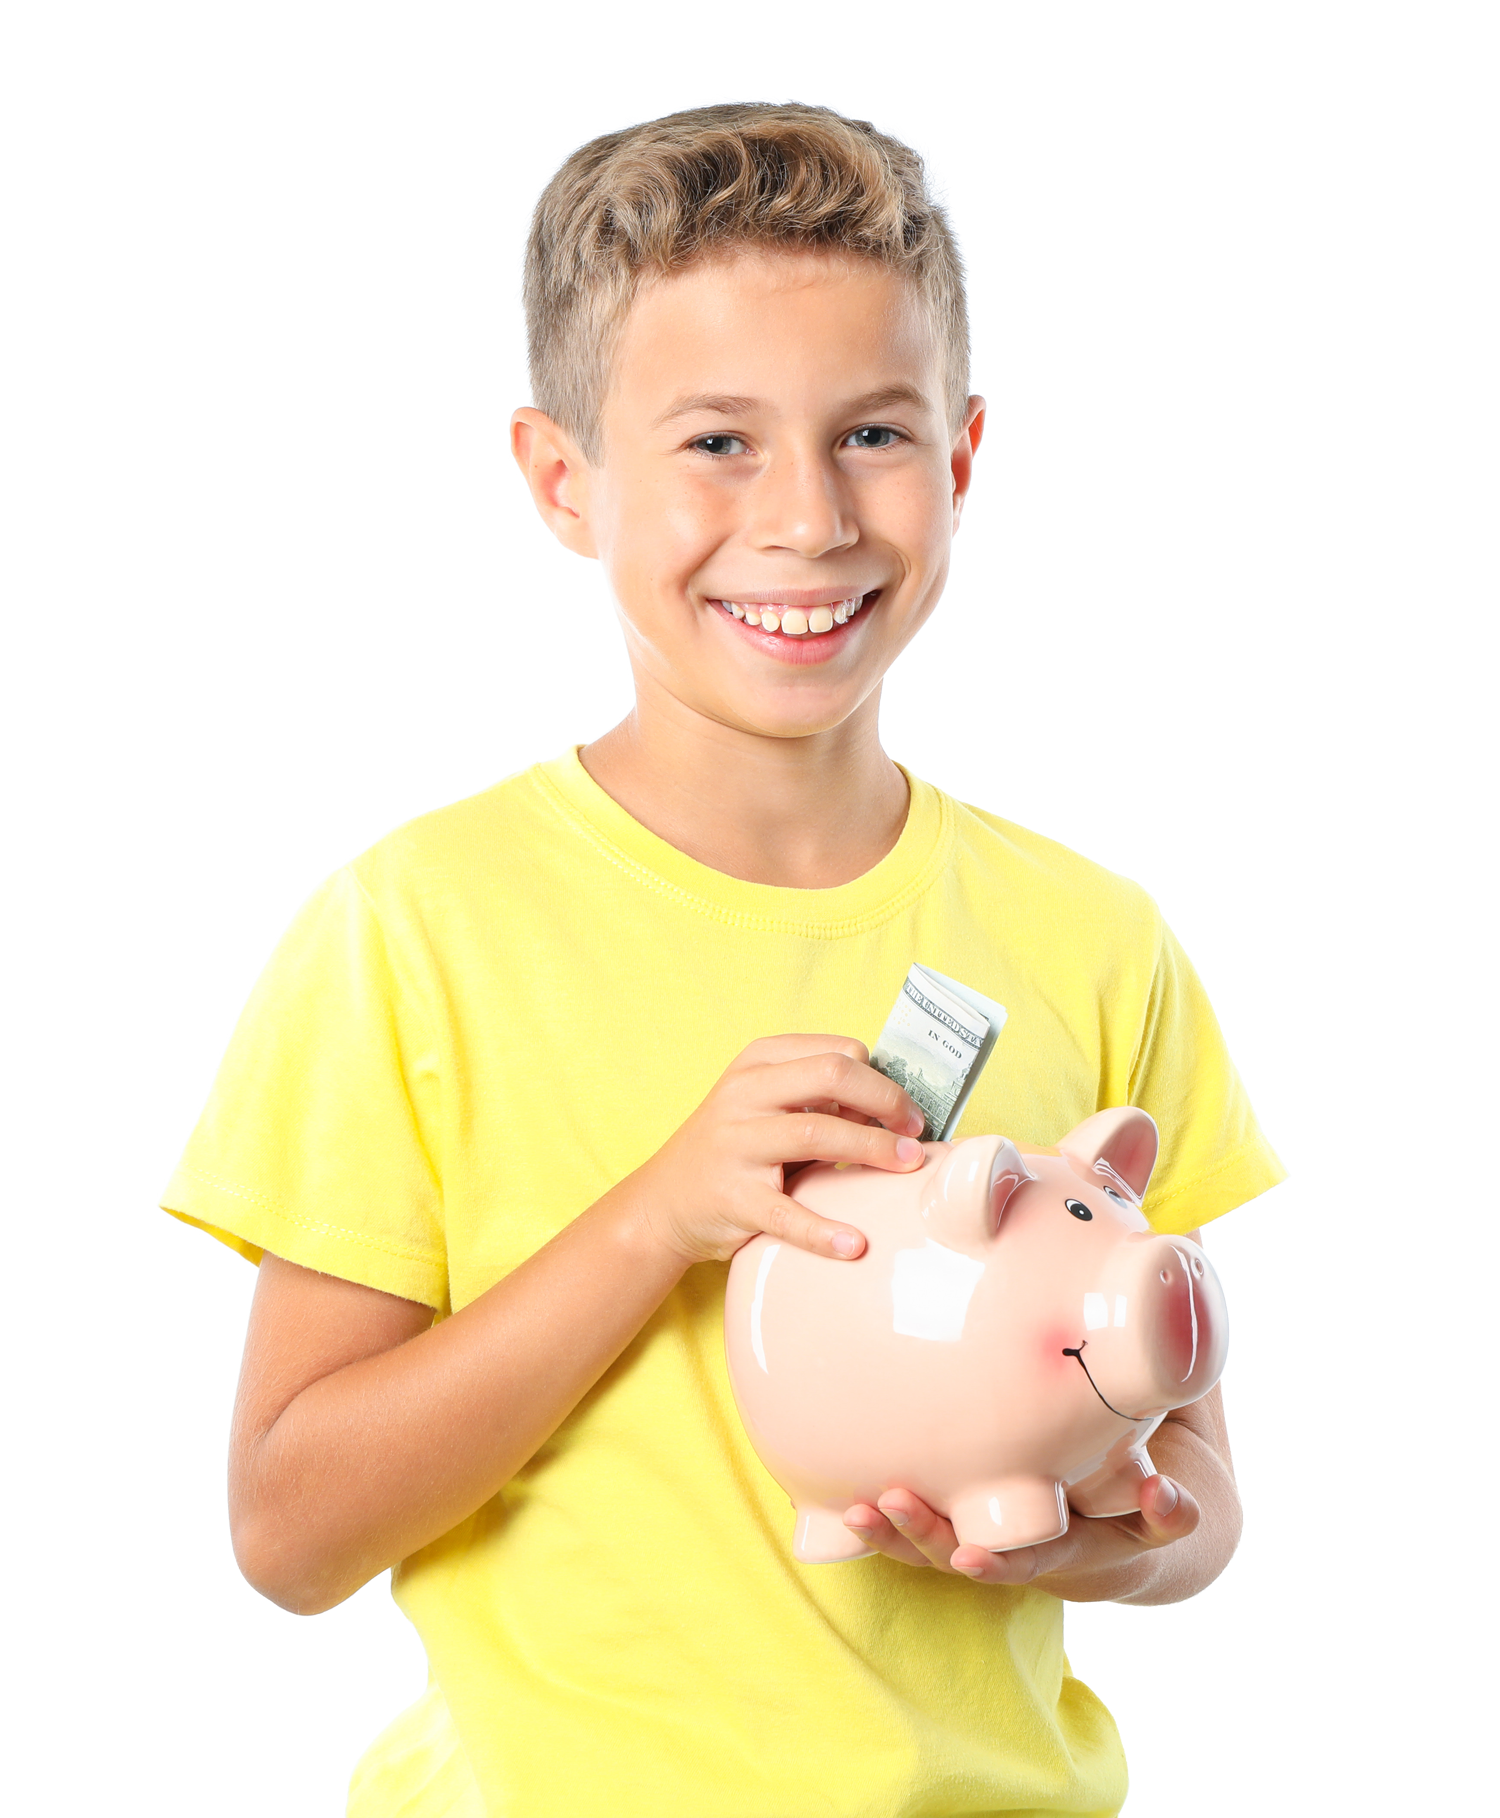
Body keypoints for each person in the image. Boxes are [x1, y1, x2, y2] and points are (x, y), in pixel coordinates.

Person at [164, 101, 1284, 1817]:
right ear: (561, 478)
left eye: (874, 434)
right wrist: (656, 1216)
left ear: (965, 456)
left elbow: (1191, 1493)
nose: (809, 516)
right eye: (715, 443)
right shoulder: (414, 933)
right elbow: (289, 1531)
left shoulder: (1095, 940)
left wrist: (1096, 1547)